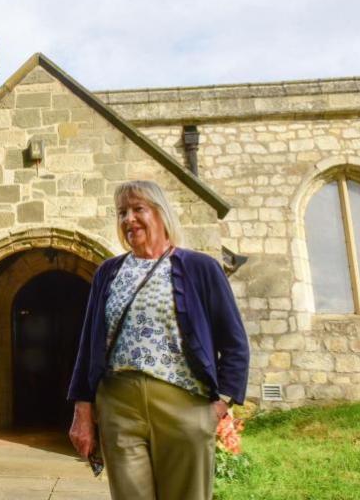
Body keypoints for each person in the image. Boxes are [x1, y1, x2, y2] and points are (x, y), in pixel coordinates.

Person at [67, 179, 249, 500]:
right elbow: (88, 345)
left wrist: (220, 404)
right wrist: (83, 412)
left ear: (162, 215)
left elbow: (234, 342)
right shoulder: (108, 272)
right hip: (119, 406)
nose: (128, 219)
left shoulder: (200, 267)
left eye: (138, 209)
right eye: (122, 212)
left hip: (184, 404)